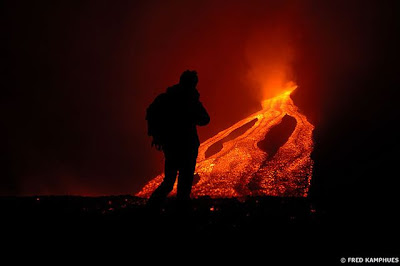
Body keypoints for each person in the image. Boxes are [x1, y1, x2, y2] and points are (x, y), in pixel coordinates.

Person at [146, 70, 210, 210]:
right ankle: (180, 215)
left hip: (171, 146)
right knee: (185, 182)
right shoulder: (191, 99)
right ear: (193, 83)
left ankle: (149, 210)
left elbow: (151, 113)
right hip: (187, 145)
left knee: (169, 181)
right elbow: (205, 119)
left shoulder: (167, 98)